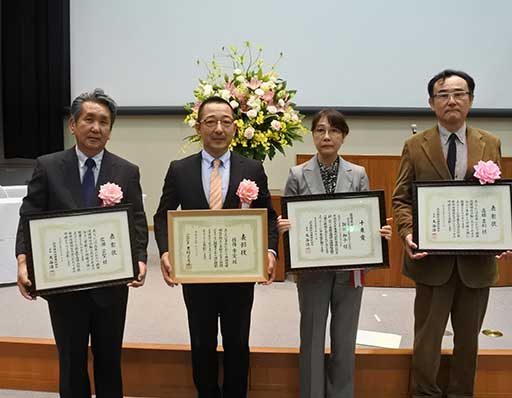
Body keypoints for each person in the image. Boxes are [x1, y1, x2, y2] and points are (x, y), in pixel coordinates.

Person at [392, 69, 512, 397]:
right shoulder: (414, 145)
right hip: (431, 262)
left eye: (459, 94)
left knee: (468, 343)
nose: (451, 100)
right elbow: (401, 199)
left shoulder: (490, 143)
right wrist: (407, 233)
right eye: (443, 95)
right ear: (432, 103)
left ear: (471, 100)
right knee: (427, 342)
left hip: (475, 265)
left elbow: (498, 199)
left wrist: (507, 232)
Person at [15, 88, 148, 398]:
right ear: (73, 125)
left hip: (110, 287)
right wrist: (23, 261)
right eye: (88, 119)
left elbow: (138, 223)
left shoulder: (126, 171)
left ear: (110, 131)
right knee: (72, 362)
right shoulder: (47, 167)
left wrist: (140, 258)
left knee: (109, 360)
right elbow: (29, 216)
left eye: (104, 122)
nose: (96, 128)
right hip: (64, 287)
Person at [153, 96, 278, 398]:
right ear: (199, 127)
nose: (218, 128)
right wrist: (166, 251)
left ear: (235, 128)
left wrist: (270, 252)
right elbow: (161, 216)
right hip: (198, 276)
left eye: (225, 121)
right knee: (202, 342)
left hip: (239, 274)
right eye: (210, 122)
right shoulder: (179, 169)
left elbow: (269, 218)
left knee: (238, 342)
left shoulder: (253, 168)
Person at [277, 109, 391, 398]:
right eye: (320, 130)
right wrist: (284, 225)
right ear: (312, 135)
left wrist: (374, 235)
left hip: (349, 270)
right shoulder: (297, 173)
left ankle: (341, 393)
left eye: (334, 131)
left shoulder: (358, 174)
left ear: (343, 136)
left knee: (345, 337)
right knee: (312, 337)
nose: (326, 136)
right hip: (312, 270)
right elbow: (290, 218)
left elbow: (362, 220)